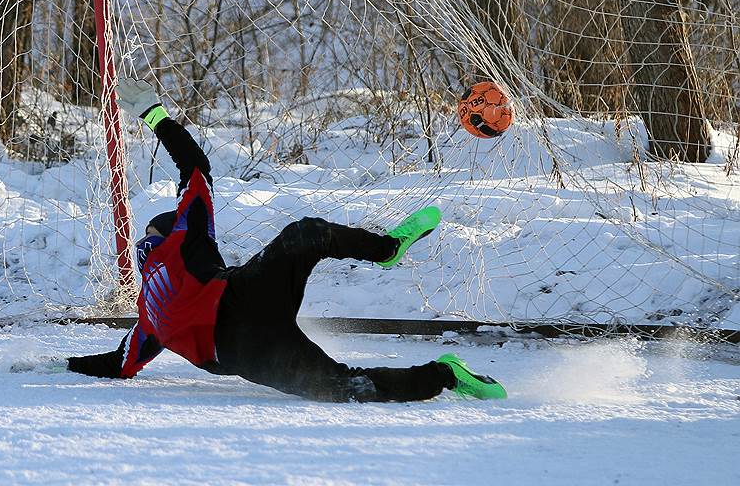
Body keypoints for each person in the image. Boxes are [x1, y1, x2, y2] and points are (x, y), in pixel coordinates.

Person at [66, 78, 506, 402]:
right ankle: (446, 374)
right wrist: (54, 364)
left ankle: (386, 249)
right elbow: (116, 365)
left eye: (149, 230)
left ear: (161, 230)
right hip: (248, 354)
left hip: (244, 297)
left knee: (305, 233)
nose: (144, 235)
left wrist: (154, 115)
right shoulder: (146, 323)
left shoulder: (183, 237)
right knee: (344, 387)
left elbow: (194, 167)